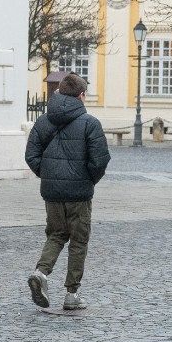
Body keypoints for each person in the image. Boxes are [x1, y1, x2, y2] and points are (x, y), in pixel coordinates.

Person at [25, 72, 111, 311]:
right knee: (78, 241)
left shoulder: (43, 121)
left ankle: (41, 273)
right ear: (81, 95)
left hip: (52, 192)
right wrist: (88, 180)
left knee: (55, 235)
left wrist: (50, 175)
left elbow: (31, 155)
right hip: (79, 194)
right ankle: (72, 294)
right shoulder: (90, 123)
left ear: (59, 92)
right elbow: (100, 160)